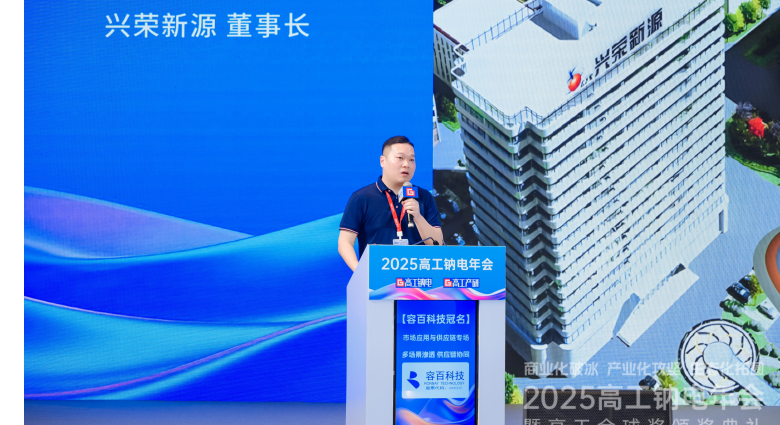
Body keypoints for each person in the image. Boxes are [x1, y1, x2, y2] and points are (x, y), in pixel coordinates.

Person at [338, 136, 443, 271]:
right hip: (377, 278)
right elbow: (345, 243)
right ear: (383, 161)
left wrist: (417, 217)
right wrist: (362, 273)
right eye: (400, 158)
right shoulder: (362, 197)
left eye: (411, 159)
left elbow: (437, 243)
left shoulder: (424, 196)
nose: (406, 164)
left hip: (418, 277)